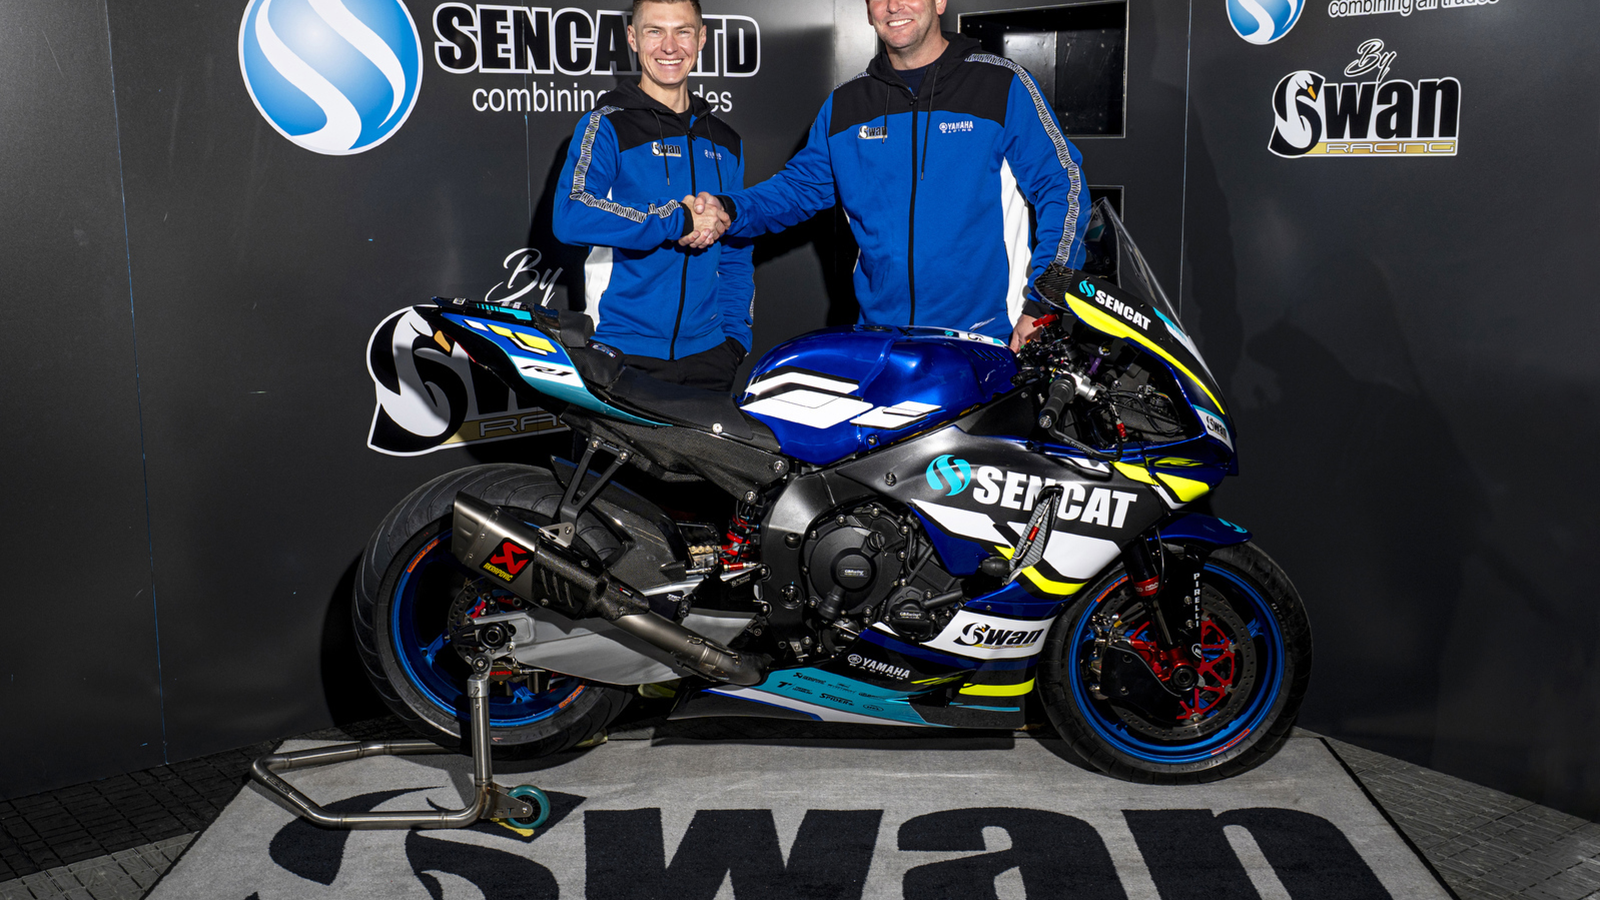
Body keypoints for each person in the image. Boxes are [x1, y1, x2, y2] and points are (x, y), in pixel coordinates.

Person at [692, 0, 1087, 352]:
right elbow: (797, 189)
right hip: (882, 342)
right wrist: (729, 208)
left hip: (988, 340)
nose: (894, 5)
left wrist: (1045, 301)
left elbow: (1065, 189)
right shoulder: (846, 104)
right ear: (868, 9)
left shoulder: (1001, 85)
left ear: (939, 1)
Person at [553, 0, 750, 392]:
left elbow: (737, 250)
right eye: (654, 31)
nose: (669, 46)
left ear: (702, 38)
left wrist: (734, 338)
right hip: (622, 352)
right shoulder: (606, 126)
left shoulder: (726, 141)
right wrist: (676, 219)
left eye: (683, 31)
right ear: (633, 38)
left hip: (710, 356)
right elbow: (571, 213)